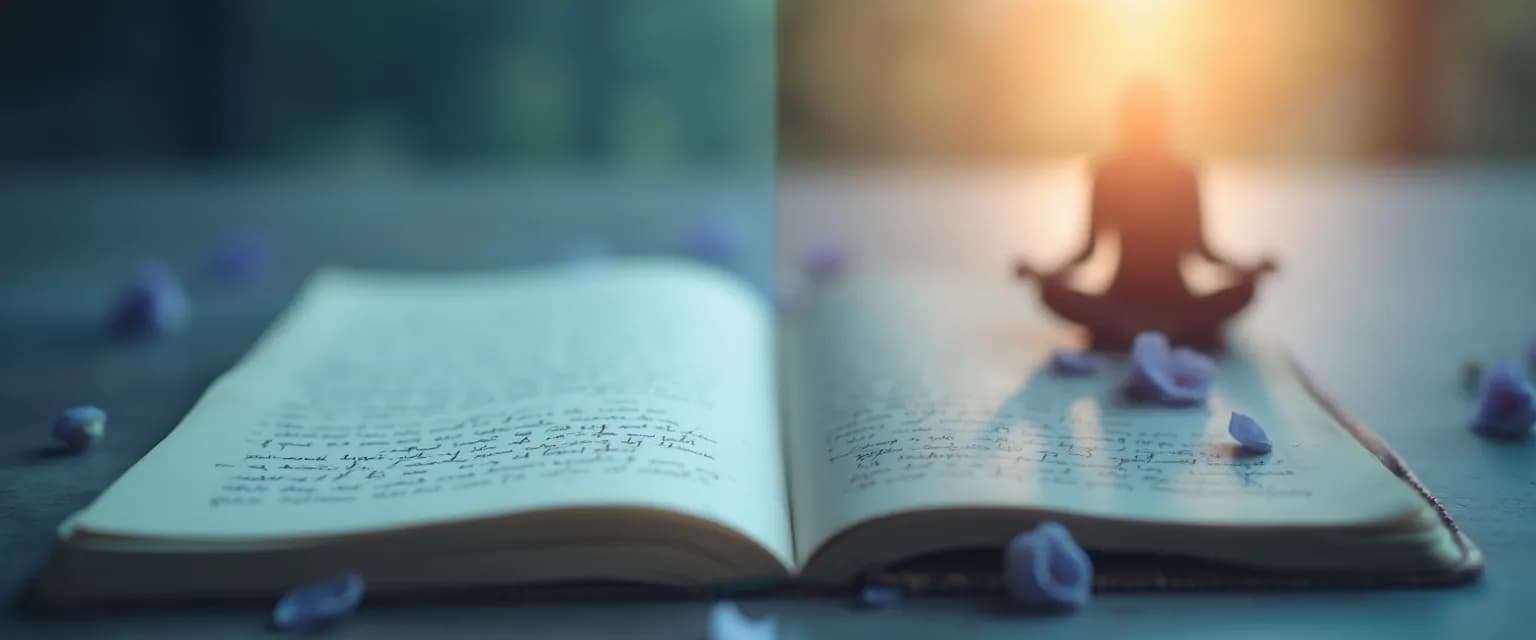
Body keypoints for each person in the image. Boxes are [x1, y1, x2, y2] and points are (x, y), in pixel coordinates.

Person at [1016, 79, 1276, 350]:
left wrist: (1248, 271)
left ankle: (1133, 330)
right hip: (1124, 300)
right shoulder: (1107, 173)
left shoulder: (1184, 174)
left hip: (1171, 301)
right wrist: (1044, 275)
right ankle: (1166, 330)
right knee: (1052, 293)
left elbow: (1203, 250)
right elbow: (1087, 251)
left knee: (1245, 291)